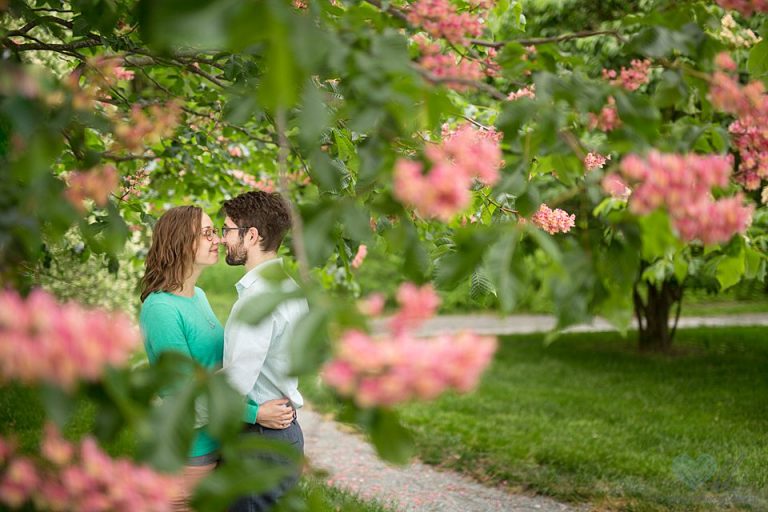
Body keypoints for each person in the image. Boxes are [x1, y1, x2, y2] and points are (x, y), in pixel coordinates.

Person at [138, 205, 292, 511]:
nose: (218, 240)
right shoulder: (161, 309)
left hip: (216, 444)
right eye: (208, 233)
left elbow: (223, 369)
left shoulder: (199, 296)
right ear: (181, 241)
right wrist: (255, 414)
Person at [220, 191, 307, 512]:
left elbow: (234, 385)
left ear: (252, 235)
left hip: (261, 440)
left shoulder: (258, 299)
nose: (222, 238)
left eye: (227, 229)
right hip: (282, 435)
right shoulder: (288, 287)